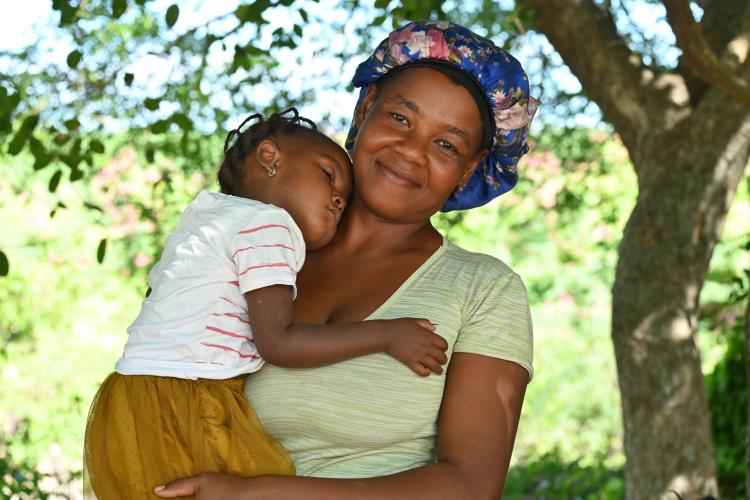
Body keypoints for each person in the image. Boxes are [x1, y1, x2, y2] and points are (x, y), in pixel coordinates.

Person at [155, 20, 538, 499]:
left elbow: (470, 485)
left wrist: (254, 494)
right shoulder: (254, 250)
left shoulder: (483, 289)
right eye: (401, 119)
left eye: (446, 144)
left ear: (470, 169)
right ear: (364, 108)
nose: (411, 152)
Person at [83, 109, 450, 499]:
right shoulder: (269, 225)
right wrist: (387, 334)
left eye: (343, 199)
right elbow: (278, 343)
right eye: (328, 175)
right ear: (270, 157)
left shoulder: (206, 215)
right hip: (186, 400)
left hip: (127, 401)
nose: (339, 198)